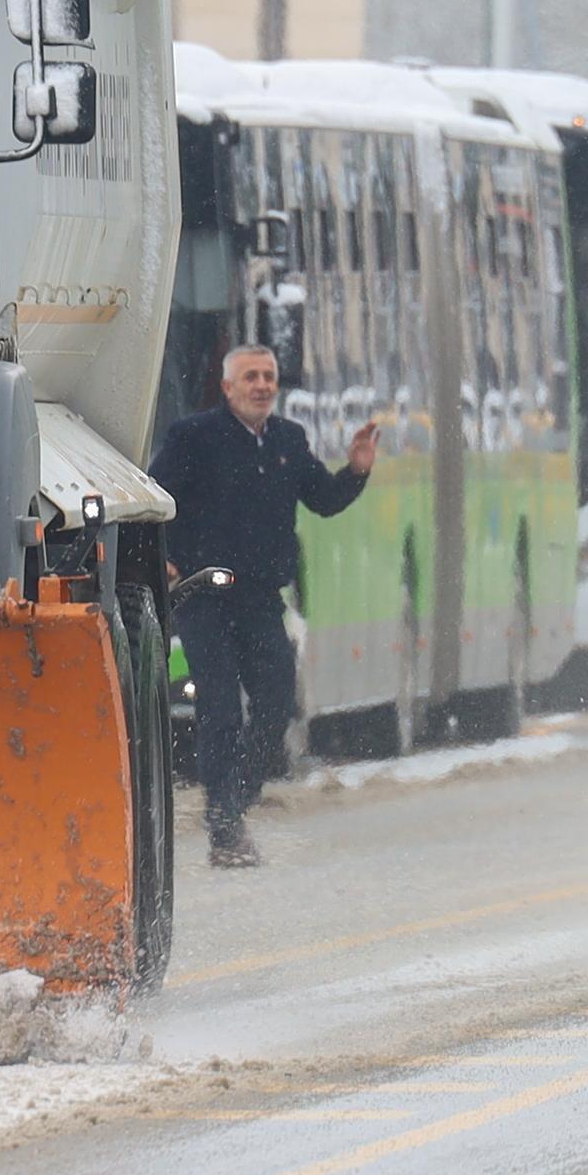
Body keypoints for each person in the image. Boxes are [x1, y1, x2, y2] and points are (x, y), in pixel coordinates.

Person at [146, 343, 378, 869]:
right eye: (250, 376)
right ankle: (225, 824)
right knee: (221, 708)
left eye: (269, 376)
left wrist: (357, 471)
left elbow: (321, 499)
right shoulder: (194, 437)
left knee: (276, 703)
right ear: (227, 387)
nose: (261, 385)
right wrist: (167, 561)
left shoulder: (288, 441)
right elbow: (157, 499)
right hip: (205, 597)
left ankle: (235, 801)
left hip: (261, 600)